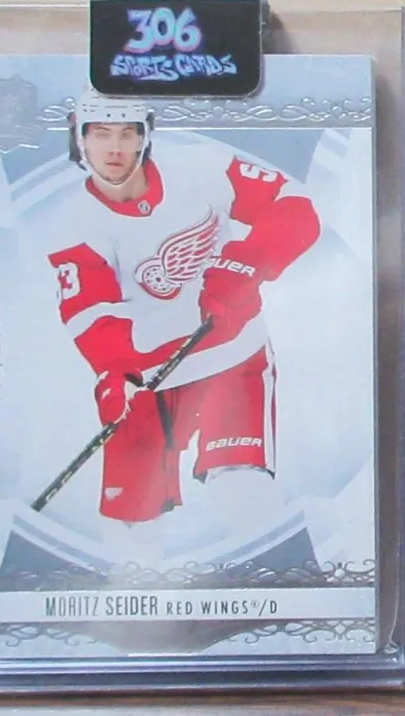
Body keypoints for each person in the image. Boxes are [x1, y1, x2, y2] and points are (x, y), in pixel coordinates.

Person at [40, 87, 319, 562]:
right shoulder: (74, 224)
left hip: (232, 355)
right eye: (101, 133)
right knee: (133, 527)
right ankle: (138, 603)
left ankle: (282, 589)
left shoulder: (201, 166)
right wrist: (116, 373)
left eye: (127, 133)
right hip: (147, 379)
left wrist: (246, 263)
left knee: (242, 489)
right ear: (79, 139)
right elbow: (91, 313)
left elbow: (293, 206)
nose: (114, 148)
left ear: (145, 136)